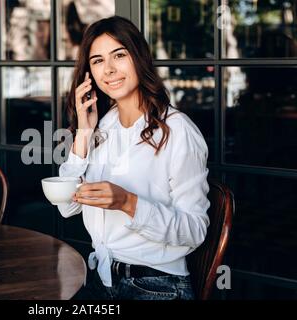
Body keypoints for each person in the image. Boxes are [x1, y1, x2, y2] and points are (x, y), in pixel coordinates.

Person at [58, 16, 210, 300]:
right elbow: (67, 208)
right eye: (98, 60)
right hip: (101, 279)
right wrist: (83, 132)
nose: (110, 70)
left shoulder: (178, 131)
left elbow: (195, 231)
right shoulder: (103, 127)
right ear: (89, 72)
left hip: (157, 285)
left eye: (119, 55)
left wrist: (128, 203)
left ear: (139, 57)